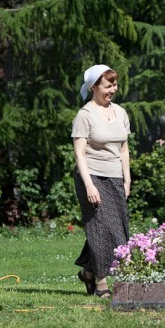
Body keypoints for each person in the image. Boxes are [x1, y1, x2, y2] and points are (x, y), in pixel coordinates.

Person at [71, 64, 131, 298]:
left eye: (114, 84)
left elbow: (124, 149)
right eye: (108, 85)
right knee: (100, 228)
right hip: (92, 175)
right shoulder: (85, 115)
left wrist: (127, 179)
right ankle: (101, 283)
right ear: (94, 87)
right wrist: (89, 185)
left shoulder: (121, 112)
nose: (112, 89)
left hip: (115, 176)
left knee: (117, 228)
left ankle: (87, 271)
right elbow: (79, 154)